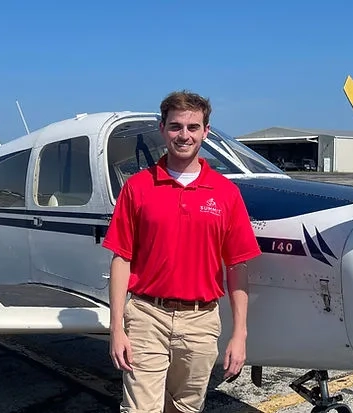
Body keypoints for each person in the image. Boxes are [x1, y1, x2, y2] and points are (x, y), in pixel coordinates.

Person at [102, 90, 262, 412]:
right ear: (162, 129)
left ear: (206, 132)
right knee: (140, 409)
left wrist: (240, 334)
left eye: (192, 127)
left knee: (186, 407)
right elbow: (121, 257)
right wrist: (116, 328)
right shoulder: (137, 187)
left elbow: (237, 267)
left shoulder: (227, 193)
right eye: (175, 127)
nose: (184, 135)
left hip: (201, 322)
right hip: (147, 316)